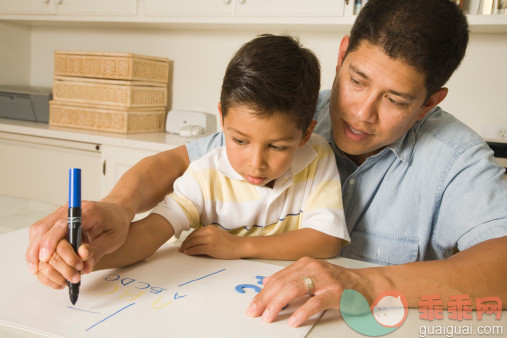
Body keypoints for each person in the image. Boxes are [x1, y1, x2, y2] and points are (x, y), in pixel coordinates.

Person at [28, 0, 506, 328]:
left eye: (396, 100)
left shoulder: (456, 159)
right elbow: (175, 163)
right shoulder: (293, 112)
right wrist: (114, 209)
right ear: (342, 55)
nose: (361, 113)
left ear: (429, 103)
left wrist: (367, 281)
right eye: (356, 80)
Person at [35, 34, 350, 288]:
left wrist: (239, 247)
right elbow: (148, 235)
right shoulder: (205, 174)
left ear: (306, 133)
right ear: (222, 118)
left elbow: (326, 240)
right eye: (239, 140)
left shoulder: (317, 157)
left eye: (277, 146)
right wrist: (85, 259)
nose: (255, 162)